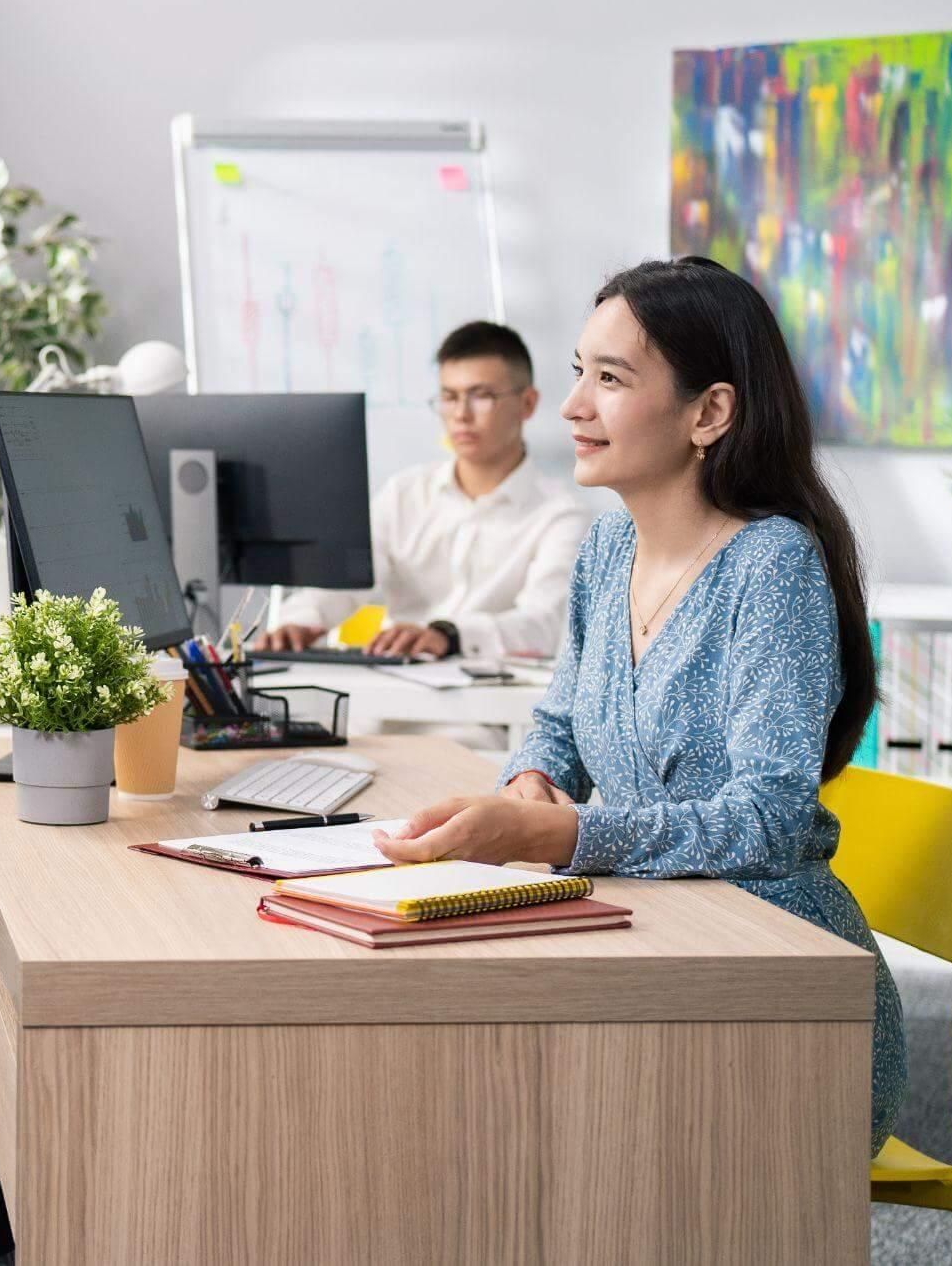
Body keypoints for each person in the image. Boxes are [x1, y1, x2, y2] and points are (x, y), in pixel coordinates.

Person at [373, 257, 904, 1153]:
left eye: (610, 378)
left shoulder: (772, 567)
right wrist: (533, 778)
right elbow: (559, 718)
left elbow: (771, 824)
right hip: (657, 934)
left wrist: (562, 835)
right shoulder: (609, 546)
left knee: (527, 1122)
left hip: (781, 986)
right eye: (579, 370)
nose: (576, 405)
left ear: (710, 412)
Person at [258, 321, 593, 660]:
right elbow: (348, 582)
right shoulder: (404, 494)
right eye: (449, 397)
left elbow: (543, 625)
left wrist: (447, 634)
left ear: (527, 404)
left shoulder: (561, 514)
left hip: (496, 704)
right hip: (399, 693)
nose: (461, 414)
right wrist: (299, 622)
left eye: (481, 396)